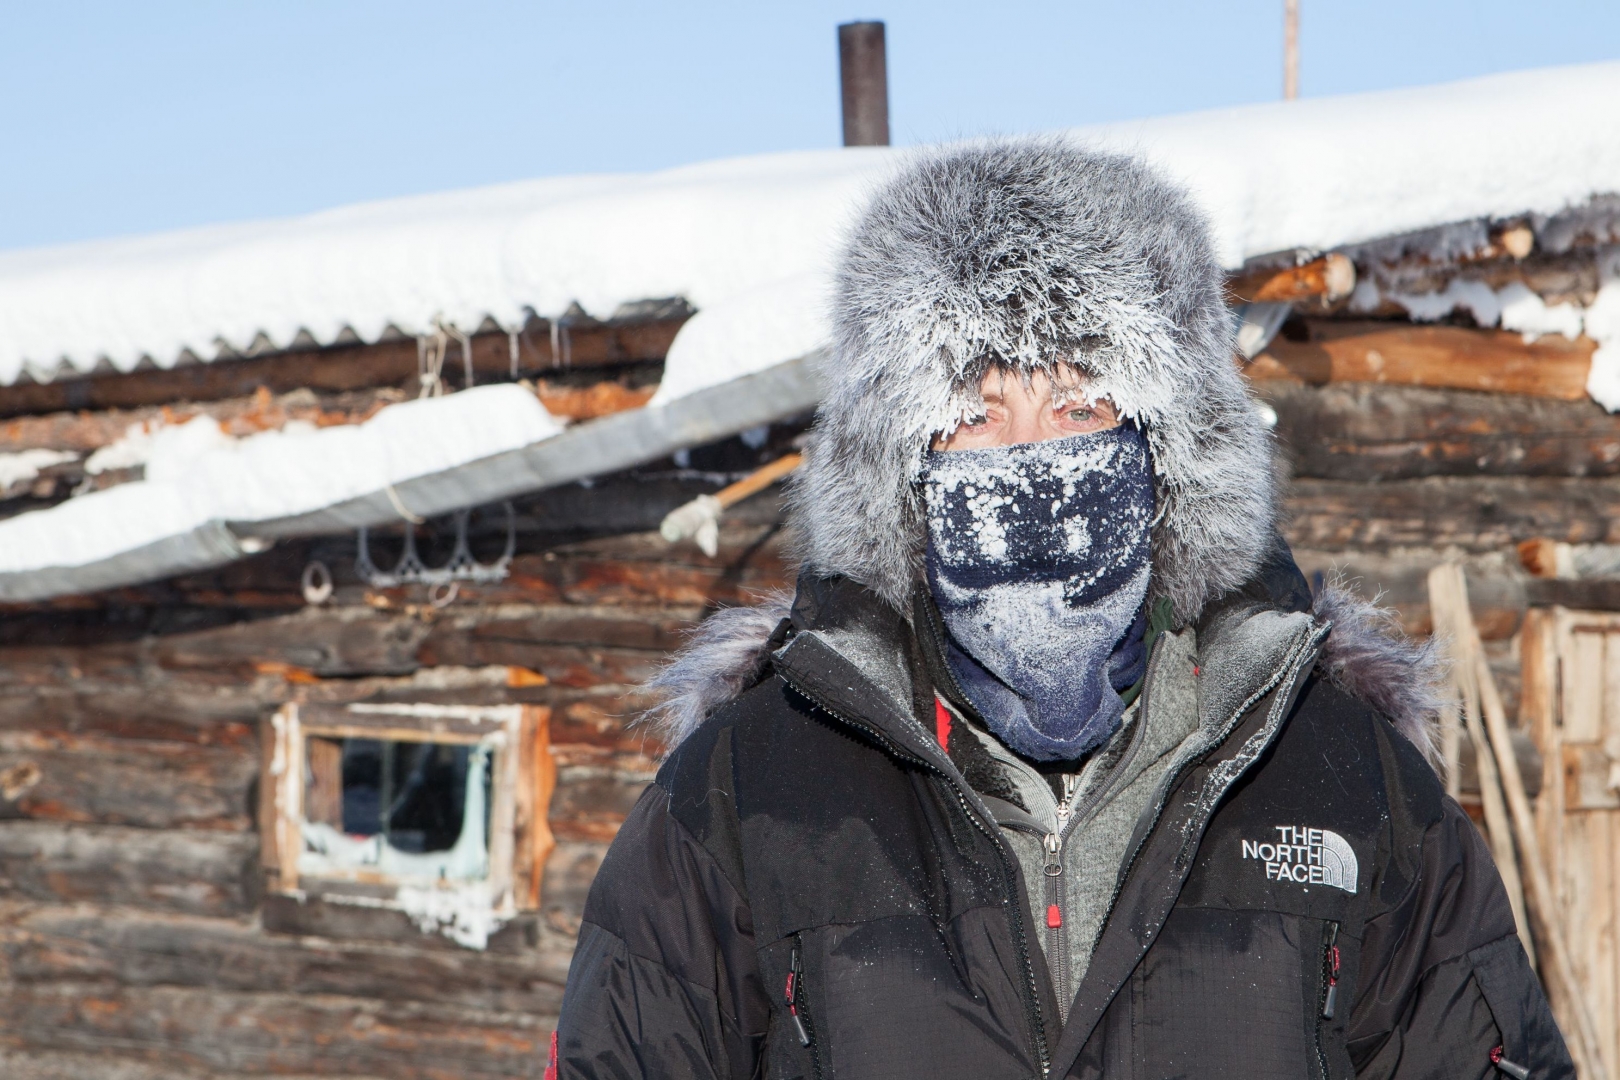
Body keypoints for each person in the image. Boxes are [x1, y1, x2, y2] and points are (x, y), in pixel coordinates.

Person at [551, 140, 1572, 1079]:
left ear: (1170, 454)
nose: (1033, 462)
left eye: (1080, 407)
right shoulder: (748, 792)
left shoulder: (1345, 779)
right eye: (975, 414)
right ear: (900, 469)